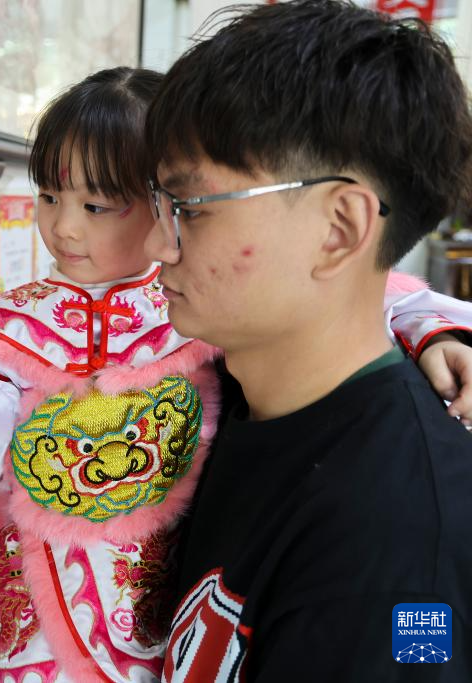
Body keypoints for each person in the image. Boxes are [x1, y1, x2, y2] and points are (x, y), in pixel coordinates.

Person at [0, 67, 472, 682]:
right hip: (43, 605)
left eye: (97, 205)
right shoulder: (2, 332)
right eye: (50, 197)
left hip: (185, 583)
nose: (65, 228)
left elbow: (373, 298)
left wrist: (435, 332)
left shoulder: (214, 302)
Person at [140, 2, 472, 680]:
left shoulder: (409, 546)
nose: (155, 244)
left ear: (338, 230)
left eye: (191, 209)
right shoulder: (223, 399)